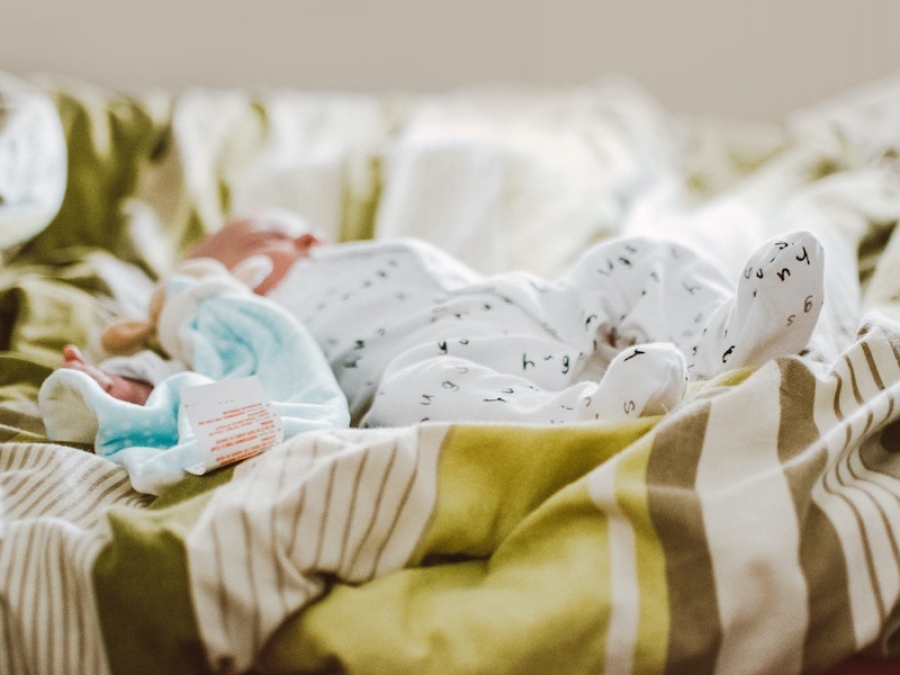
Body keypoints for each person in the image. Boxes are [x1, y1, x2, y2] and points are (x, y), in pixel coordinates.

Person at [57, 212, 827, 428]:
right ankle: (586, 417)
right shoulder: (240, 325)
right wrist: (123, 387)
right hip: (436, 369)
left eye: (293, 227)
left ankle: (730, 337)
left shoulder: (347, 251)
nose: (300, 237)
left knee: (631, 257)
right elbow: (192, 392)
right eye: (262, 234)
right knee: (413, 395)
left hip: (539, 309)